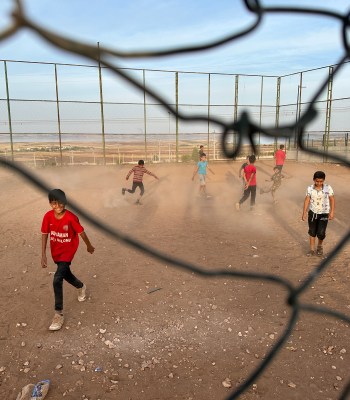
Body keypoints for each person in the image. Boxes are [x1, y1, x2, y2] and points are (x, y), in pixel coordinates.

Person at [41, 189, 95, 331]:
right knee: (65, 274)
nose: (57, 206)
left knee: (57, 279)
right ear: (50, 204)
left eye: (60, 203)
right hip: (56, 252)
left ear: (65, 203)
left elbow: (81, 232)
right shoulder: (47, 217)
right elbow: (44, 234)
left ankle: (58, 314)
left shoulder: (71, 217)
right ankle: (80, 286)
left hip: (67, 252)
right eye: (54, 203)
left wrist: (89, 245)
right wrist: (43, 254)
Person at [302, 171, 335, 257]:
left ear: (323, 180)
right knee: (312, 231)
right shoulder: (309, 188)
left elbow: (332, 199)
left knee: (321, 232)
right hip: (313, 212)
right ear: (314, 180)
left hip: (324, 214)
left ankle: (319, 246)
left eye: (321, 181)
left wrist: (331, 212)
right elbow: (307, 200)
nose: (319, 183)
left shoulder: (328, 188)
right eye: (317, 181)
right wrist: (304, 212)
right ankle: (312, 250)